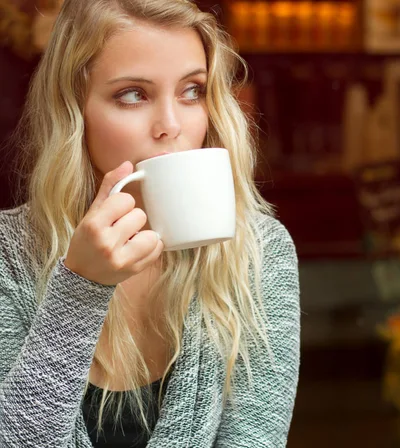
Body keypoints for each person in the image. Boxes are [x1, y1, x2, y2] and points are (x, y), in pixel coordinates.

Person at [0, 0, 300, 447]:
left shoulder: (259, 253)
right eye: (133, 94)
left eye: (192, 91)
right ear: (73, 109)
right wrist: (78, 289)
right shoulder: (8, 256)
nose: (171, 125)